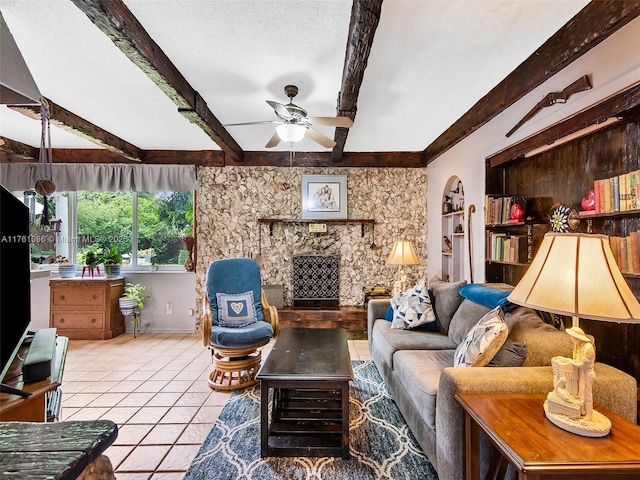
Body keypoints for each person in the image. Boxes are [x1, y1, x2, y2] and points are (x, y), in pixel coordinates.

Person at [566, 326, 596, 420]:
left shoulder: (588, 348)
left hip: (587, 373)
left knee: (587, 394)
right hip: (582, 373)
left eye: (572, 337)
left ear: (577, 338)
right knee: (580, 393)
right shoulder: (580, 346)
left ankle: (589, 415)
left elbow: (583, 364)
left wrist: (573, 363)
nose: (571, 339)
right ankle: (582, 411)